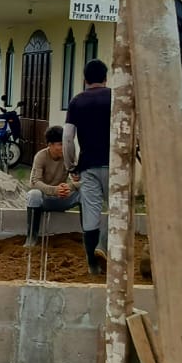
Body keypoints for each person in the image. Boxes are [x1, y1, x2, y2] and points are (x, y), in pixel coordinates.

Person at [63, 59, 112, 276]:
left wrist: (71, 165)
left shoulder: (76, 102)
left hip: (88, 166)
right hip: (115, 166)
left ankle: (93, 265)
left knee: (91, 215)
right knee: (118, 210)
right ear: (106, 78)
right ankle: (103, 246)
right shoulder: (116, 98)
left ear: (85, 79)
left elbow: (67, 138)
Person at [23, 125, 79, 247]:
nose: (63, 148)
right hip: (45, 199)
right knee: (34, 194)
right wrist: (54, 190)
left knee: (85, 192)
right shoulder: (41, 156)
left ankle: (88, 236)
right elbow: (35, 182)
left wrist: (69, 187)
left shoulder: (69, 156)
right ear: (50, 145)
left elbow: (80, 180)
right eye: (60, 144)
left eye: (65, 144)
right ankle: (31, 237)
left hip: (63, 197)